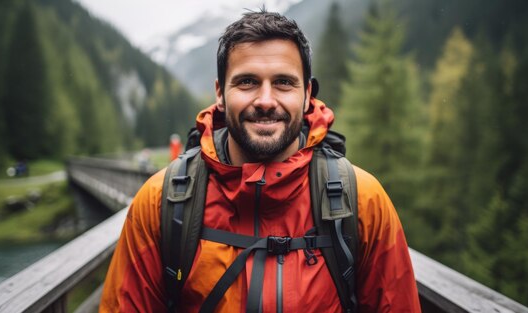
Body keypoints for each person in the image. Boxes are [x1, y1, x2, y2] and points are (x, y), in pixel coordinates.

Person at [100, 10, 421, 312]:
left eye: (283, 82)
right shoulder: (159, 203)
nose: (266, 101)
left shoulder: (364, 201)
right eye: (247, 82)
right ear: (220, 94)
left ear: (307, 94)